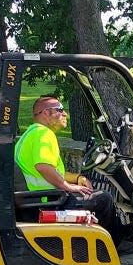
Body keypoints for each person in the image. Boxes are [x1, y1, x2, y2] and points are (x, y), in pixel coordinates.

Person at [15, 95, 125, 242]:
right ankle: (118, 245)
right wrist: (67, 186)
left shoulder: (29, 134)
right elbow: (43, 167)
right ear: (46, 113)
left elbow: (53, 171)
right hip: (48, 202)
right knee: (104, 199)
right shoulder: (43, 134)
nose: (65, 113)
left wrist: (78, 179)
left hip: (38, 200)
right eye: (60, 110)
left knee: (94, 196)